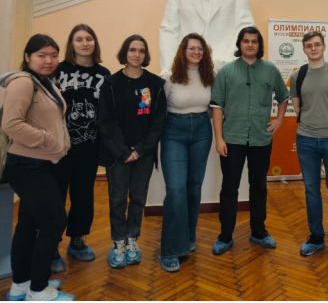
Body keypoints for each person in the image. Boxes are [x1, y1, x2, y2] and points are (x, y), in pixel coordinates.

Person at [1, 35, 75, 301]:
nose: (49, 60)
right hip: (28, 164)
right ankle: (38, 291)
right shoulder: (23, 82)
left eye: (54, 55)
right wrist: (48, 140)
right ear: (28, 57)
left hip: (40, 163)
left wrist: (58, 142)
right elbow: (11, 124)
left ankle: (21, 285)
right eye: (42, 55)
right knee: (54, 223)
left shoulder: (43, 82)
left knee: (28, 224)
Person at [210, 27, 289, 255]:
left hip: (260, 139)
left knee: (259, 186)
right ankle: (225, 235)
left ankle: (258, 231)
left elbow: (283, 97)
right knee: (229, 187)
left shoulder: (270, 70)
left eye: (254, 41)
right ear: (240, 44)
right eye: (246, 41)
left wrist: (279, 120)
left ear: (259, 45)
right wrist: (219, 139)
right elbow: (217, 106)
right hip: (232, 139)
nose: (250, 45)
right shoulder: (226, 72)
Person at [98, 35, 167, 269]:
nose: (137, 55)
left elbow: (158, 121)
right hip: (118, 155)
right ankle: (118, 242)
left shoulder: (155, 84)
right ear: (125, 53)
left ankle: (131, 239)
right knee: (118, 199)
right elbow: (106, 121)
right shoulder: (111, 83)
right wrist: (123, 151)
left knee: (138, 199)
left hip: (144, 154)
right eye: (132, 50)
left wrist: (140, 149)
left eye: (141, 51)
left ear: (146, 55)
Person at [50, 24, 110, 272]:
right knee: (55, 197)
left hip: (89, 146)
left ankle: (77, 240)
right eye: (79, 39)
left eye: (89, 38)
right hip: (58, 147)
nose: (85, 43)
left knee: (83, 195)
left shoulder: (104, 74)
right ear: (71, 44)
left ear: (95, 43)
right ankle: (51, 246)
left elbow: (107, 112)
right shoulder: (57, 70)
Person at [290, 31, 328, 263]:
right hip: (306, 140)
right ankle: (316, 236)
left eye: (317, 44)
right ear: (304, 50)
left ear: (324, 47)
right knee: (311, 190)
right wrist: (312, 122)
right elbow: (297, 107)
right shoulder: (297, 75)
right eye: (309, 45)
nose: (313, 48)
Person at [159, 33, 215, 272]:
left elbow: (213, 107)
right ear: (183, 51)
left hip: (202, 130)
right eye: (192, 48)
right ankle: (170, 250)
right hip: (174, 131)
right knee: (176, 189)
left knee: (194, 186)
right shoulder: (169, 76)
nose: (196, 52)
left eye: (200, 48)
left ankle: (188, 238)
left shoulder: (209, 76)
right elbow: (159, 109)